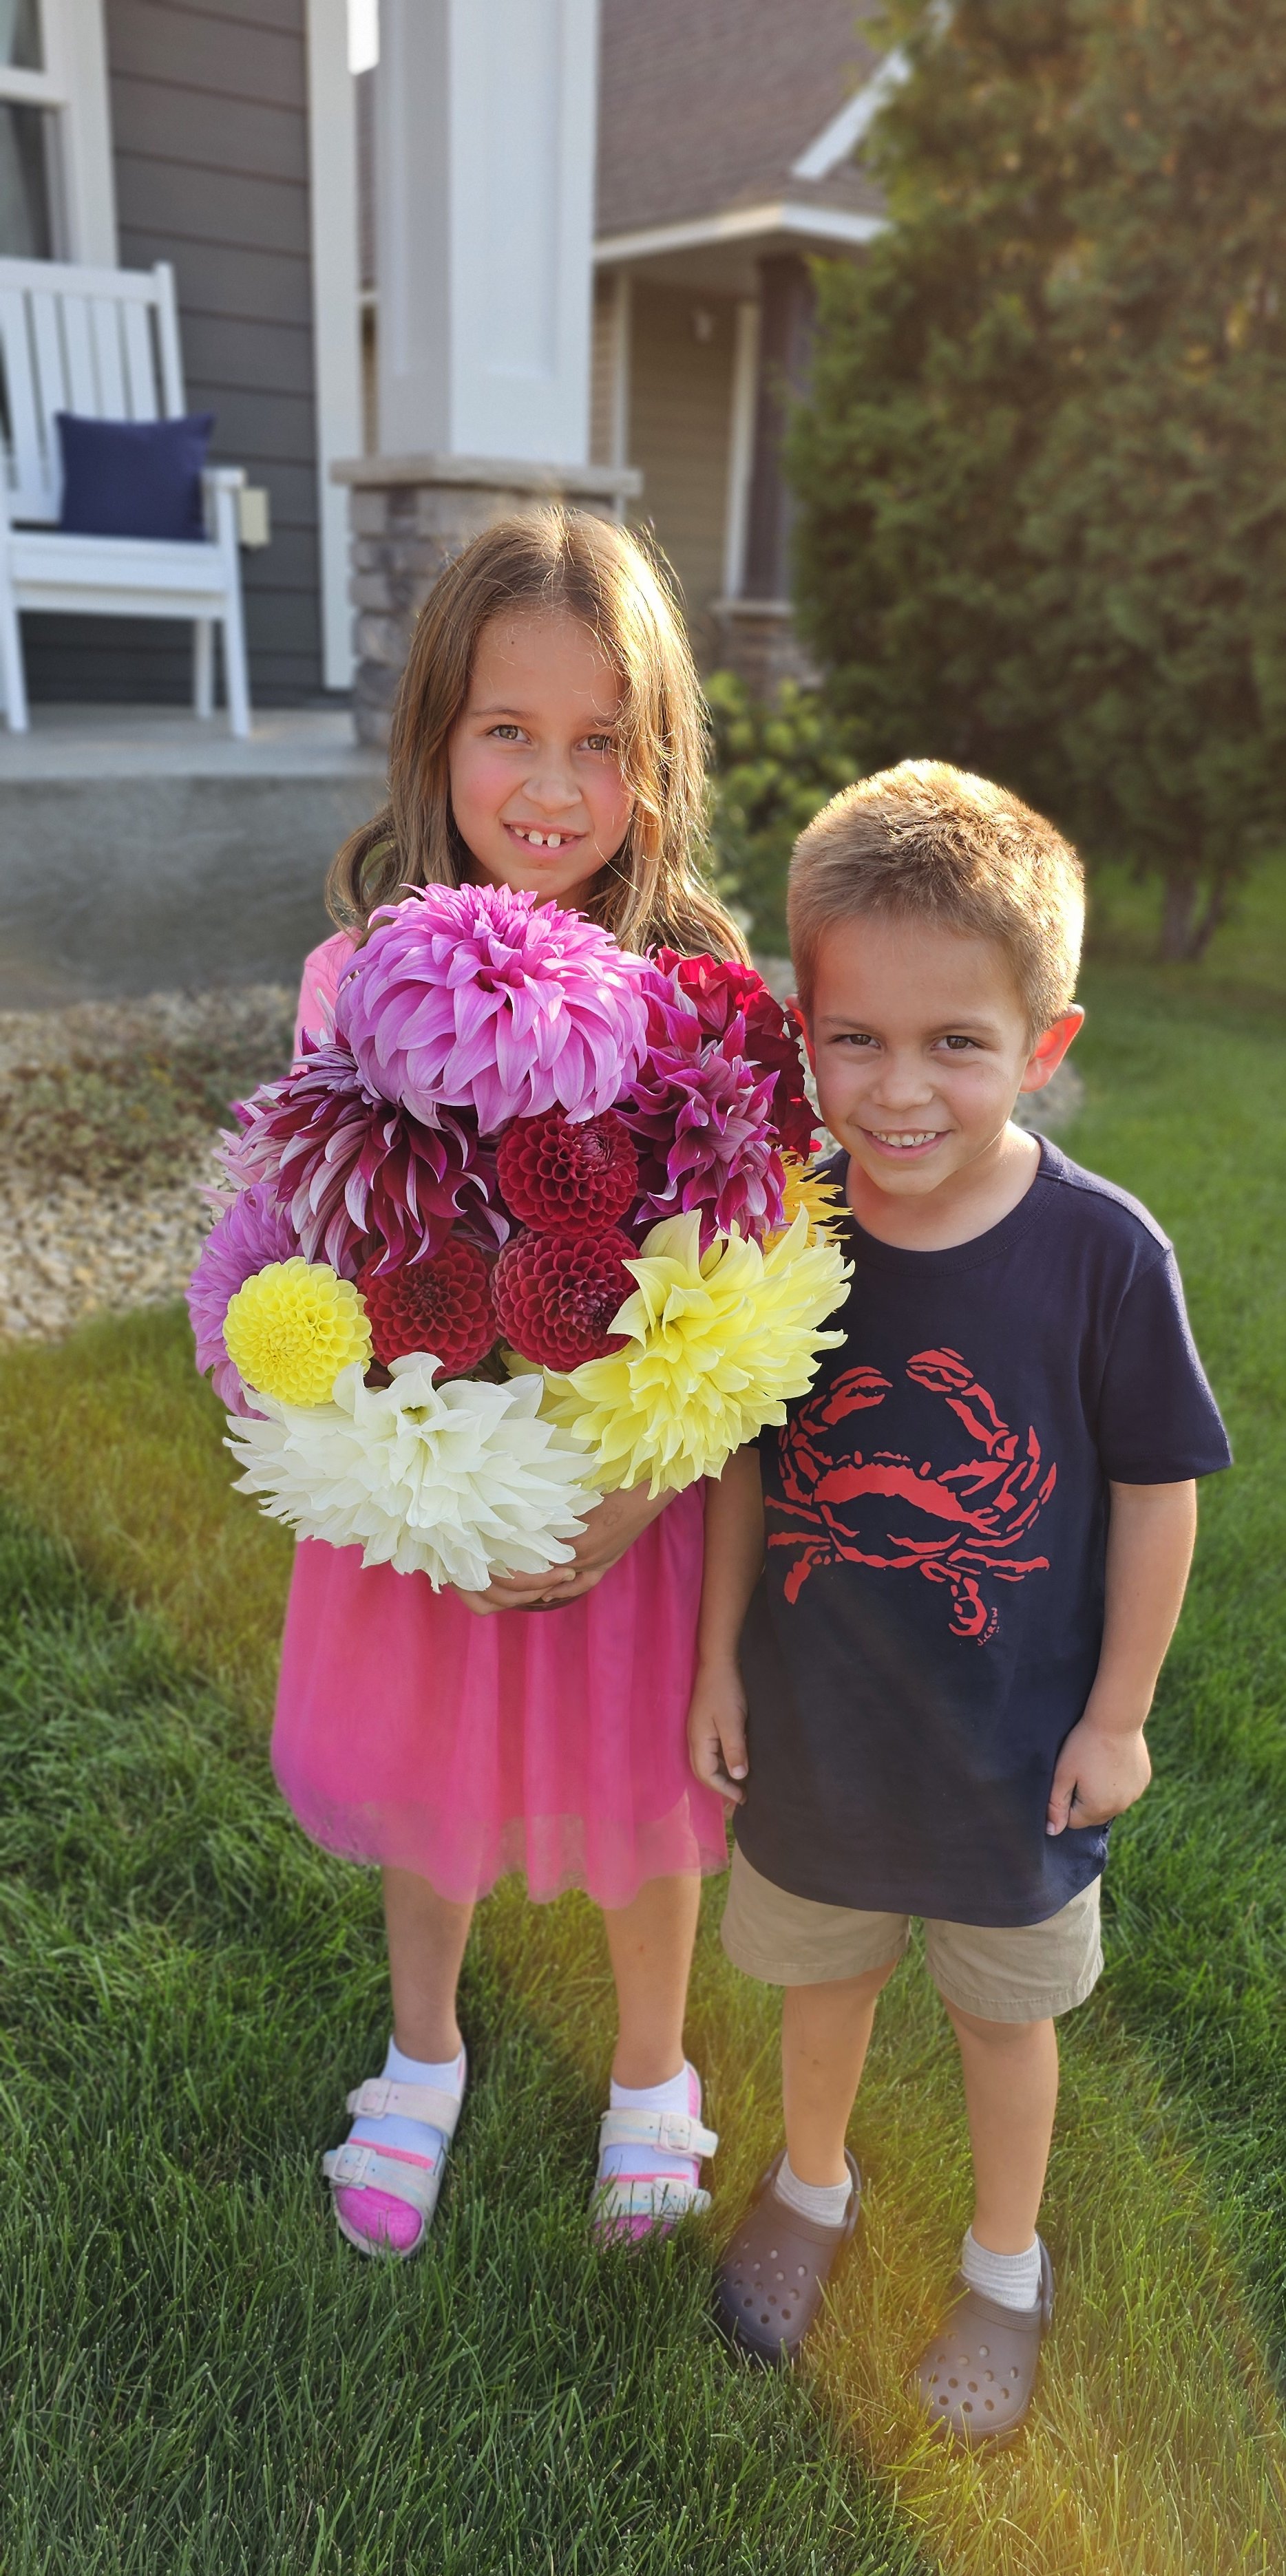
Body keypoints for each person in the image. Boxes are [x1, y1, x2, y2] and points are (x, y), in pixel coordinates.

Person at [688, 761, 1230, 2441]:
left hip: (1014, 1750)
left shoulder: (1104, 1255)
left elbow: (1157, 1487)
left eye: (958, 1044)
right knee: (823, 1981)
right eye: (856, 1038)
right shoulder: (785, 1228)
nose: (898, 1089)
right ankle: (814, 2182)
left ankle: (1005, 2262)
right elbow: (746, 1465)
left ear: (1043, 1046)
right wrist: (715, 1662)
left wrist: (1122, 1713)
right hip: (820, 1727)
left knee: (1005, 2025)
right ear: (801, 1025)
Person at [280, 511, 744, 2259]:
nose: (552, 784)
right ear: (435, 737)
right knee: (430, 1774)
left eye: (600, 743)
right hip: (427, 1493)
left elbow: (748, 1289)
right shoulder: (354, 979)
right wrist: (410, 1475)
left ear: (656, 758)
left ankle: (650, 2071)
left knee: (639, 1799)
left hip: (625, 1497)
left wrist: (631, 1493)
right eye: (508, 731)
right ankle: (422, 2053)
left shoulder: (697, 996)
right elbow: (304, 1248)